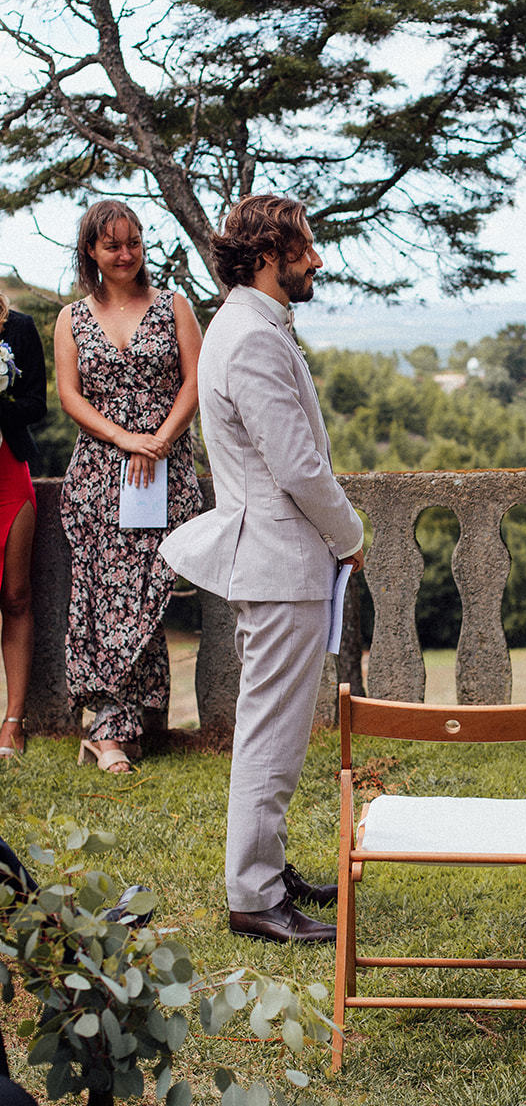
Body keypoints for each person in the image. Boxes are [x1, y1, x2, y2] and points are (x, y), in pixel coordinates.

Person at [161, 193, 364, 945]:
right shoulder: (249, 336)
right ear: (267, 255)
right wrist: (348, 535)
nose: (316, 259)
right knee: (271, 736)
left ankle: (267, 871)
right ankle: (252, 896)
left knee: (271, 728)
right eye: (305, 247)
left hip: (277, 559)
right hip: (282, 560)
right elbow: (298, 466)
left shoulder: (249, 325)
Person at [54, 201, 202, 772]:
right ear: (92, 250)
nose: (126, 254)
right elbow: (69, 396)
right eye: (113, 245)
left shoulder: (173, 306)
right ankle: (112, 728)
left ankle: (118, 722)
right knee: (99, 597)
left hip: (163, 473)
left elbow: (197, 379)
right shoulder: (72, 317)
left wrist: (158, 440)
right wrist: (125, 439)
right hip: (98, 476)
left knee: (147, 593)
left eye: (134, 242)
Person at [0, 295, 46, 760]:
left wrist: (0, 404)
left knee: (16, 596)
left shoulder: (18, 326)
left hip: (9, 474)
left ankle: (13, 721)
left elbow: (37, 404)